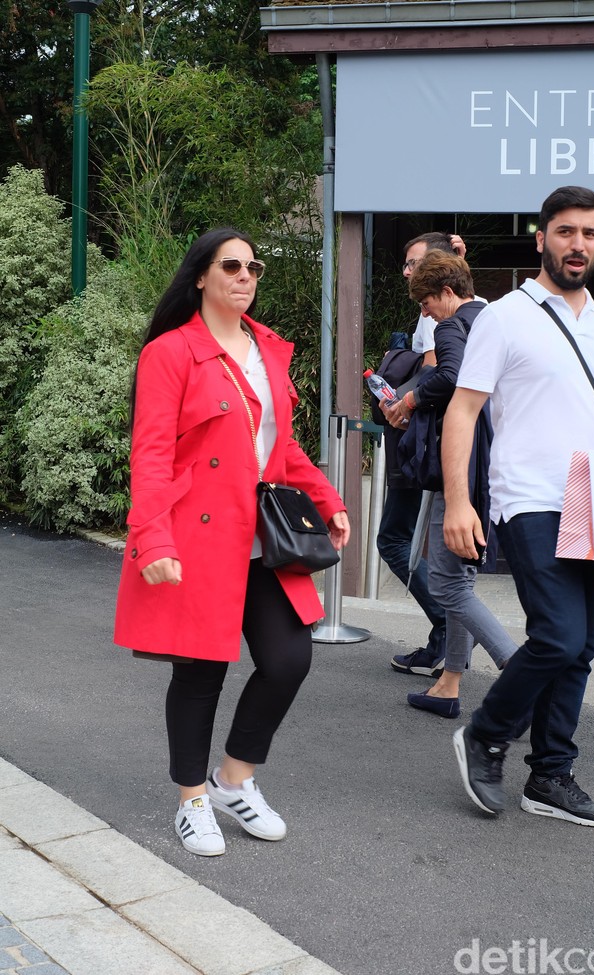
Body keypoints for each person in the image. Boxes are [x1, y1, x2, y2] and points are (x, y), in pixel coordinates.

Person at [114, 228, 350, 857]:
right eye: (232, 266)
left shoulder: (267, 348)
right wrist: (152, 538)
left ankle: (233, 779)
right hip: (195, 538)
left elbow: (281, 445)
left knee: (288, 660)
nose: (246, 277)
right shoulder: (170, 353)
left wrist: (328, 500)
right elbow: (152, 455)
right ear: (201, 275)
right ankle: (192, 799)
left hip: (264, 537)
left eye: (254, 267)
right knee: (200, 672)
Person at [442, 185, 594, 826]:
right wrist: (458, 501)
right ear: (542, 238)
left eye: (589, 233)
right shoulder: (505, 316)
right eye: (565, 232)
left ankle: (550, 777)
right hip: (530, 496)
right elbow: (464, 409)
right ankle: (485, 730)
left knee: (581, 646)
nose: (577, 245)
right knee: (557, 637)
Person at [383, 250, 517, 717]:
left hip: (462, 460)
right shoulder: (496, 317)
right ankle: (449, 684)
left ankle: (521, 674)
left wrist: (413, 397)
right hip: (497, 460)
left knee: (446, 582)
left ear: (446, 292)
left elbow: (453, 376)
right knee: (461, 577)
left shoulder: (452, 324)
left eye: (426, 302)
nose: (425, 312)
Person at [380, 232, 466, 678]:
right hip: (443, 444)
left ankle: (453, 635)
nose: (407, 272)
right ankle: (447, 646)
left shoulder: (444, 316)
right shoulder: (471, 310)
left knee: (395, 540)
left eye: (415, 263)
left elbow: (442, 371)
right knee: (446, 557)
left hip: (429, 443)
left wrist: (404, 401)